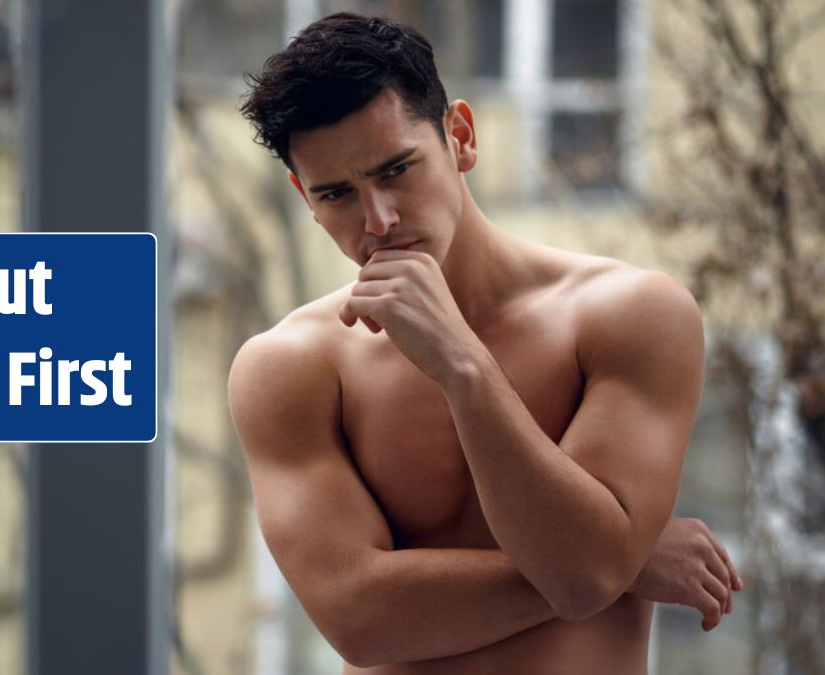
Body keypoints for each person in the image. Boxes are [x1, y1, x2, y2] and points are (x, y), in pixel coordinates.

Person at [228, 12, 743, 674]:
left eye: (396, 170)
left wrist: (461, 362)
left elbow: (585, 573)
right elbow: (360, 617)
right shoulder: (293, 366)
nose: (378, 220)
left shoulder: (628, 316)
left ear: (460, 138)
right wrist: (627, 561)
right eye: (337, 194)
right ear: (305, 197)